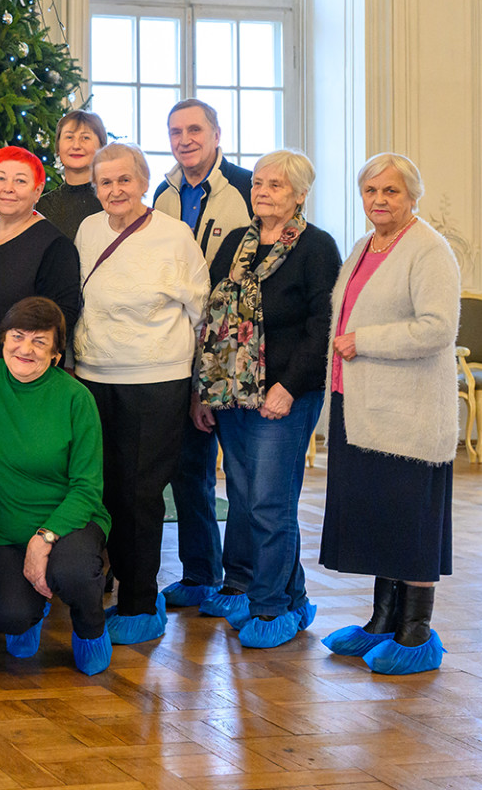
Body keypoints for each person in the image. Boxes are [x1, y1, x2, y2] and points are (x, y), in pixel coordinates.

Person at [190, 149, 341, 648]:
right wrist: (205, 389)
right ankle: (292, 598)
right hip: (233, 389)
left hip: (285, 393)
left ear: (299, 195)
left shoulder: (317, 248)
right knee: (247, 498)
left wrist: (289, 387)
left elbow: (323, 326)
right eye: (258, 182)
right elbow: (213, 319)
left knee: (272, 504)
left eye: (276, 185)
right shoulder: (238, 242)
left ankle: (270, 607)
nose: (262, 191)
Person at [317, 153, 461, 676]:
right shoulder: (364, 247)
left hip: (411, 409)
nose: (379, 200)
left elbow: (437, 328)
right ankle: (381, 620)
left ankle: (416, 631)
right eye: (371, 191)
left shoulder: (429, 250)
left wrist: (365, 341)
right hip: (362, 403)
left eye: (391, 192)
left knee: (412, 518)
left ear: (413, 196)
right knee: (381, 515)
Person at [72, 142, 208, 646]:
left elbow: (201, 313)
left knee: (140, 495)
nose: (114, 190)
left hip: (156, 380)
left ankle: (139, 600)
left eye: (123, 180)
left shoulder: (175, 236)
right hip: (93, 376)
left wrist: (198, 387)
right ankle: (111, 590)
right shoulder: (88, 230)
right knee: (103, 489)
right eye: (104, 182)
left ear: (143, 181)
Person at [0, 297, 111, 676]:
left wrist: (44, 538)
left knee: (73, 573)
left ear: (57, 354)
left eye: (40, 342)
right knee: (8, 615)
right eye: (18, 336)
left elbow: (87, 488)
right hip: (5, 529)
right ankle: (33, 609)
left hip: (70, 520)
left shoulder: (76, 398)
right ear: (3, 339)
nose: (25, 348)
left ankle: (90, 628)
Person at [151, 98, 254, 612]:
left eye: (194, 129)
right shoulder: (163, 193)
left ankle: (243, 584)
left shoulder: (247, 187)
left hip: (232, 352)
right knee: (187, 469)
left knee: (240, 477)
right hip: (175, 348)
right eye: (175, 131)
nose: (184, 139)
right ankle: (199, 574)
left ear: (217, 133)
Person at [0, 147, 82, 375]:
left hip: (23, 374)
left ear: (38, 190)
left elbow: (61, 319)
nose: (8, 189)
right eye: (1, 178)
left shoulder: (55, 247)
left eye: (20, 181)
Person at [37, 110, 108, 239]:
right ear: (58, 148)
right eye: (69, 137)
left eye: (85, 138)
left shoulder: (111, 202)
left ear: (101, 147)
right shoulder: (42, 206)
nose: (76, 145)